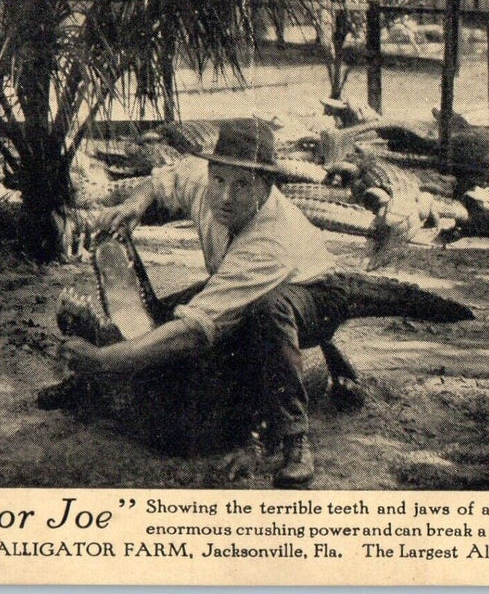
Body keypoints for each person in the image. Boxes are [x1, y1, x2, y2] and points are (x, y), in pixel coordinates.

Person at [56, 118, 351, 488]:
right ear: (211, 172)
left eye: (242, 185)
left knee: (266, 313)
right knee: (164, 323)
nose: (225, 197)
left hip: (313, 292)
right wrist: (136, 203)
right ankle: (89, 384)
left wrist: (102, 361)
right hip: (239, 279)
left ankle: (292, 439)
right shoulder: (204, 179)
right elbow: (166, 179)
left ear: (266, 187)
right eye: (220, 180)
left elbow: (195, 331)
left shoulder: (272, 239)